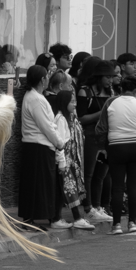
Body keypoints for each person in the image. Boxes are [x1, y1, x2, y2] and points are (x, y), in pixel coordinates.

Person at [95, 75, 136, 235]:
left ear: (121, 89)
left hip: (116, 147)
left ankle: (116, 226)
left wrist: (103, 146)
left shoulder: (110, 102)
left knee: (118, 186)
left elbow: (100, 129)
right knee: (133, 185)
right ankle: (133, 223)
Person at [18, 65, 63, 229]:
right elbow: (46, 126)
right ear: (42, 79)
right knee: (39, 184)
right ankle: (36, 218)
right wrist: (59, 142)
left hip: (37, 146)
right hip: (38, 146)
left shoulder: (33, 96)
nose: (48, 79)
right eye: (47, 76)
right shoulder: (35, 98)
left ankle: (32, 217)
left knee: (35, 183)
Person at [76, 58, 114, 223]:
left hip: (105, 137)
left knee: (101, 174)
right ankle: (88, 208)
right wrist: (102, 113)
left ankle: (98, 207)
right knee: (88, 174)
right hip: (89, 136)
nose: (110, 80)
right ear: (98, 77)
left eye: (112, 77)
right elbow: (81, 118)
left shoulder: (110, 92)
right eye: (107, 77)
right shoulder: (85, 91)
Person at [50, 90, 94, 231]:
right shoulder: (61, 119)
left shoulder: (71, 117)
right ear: (64, 103)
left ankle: (59, 218)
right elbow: (60, 143)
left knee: (67, 189)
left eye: (75, 101)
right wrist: (62, 162)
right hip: (65, 160)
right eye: (72, 101)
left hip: (73, 160)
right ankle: (75, 218)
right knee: (69, 188)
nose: (75, 104)